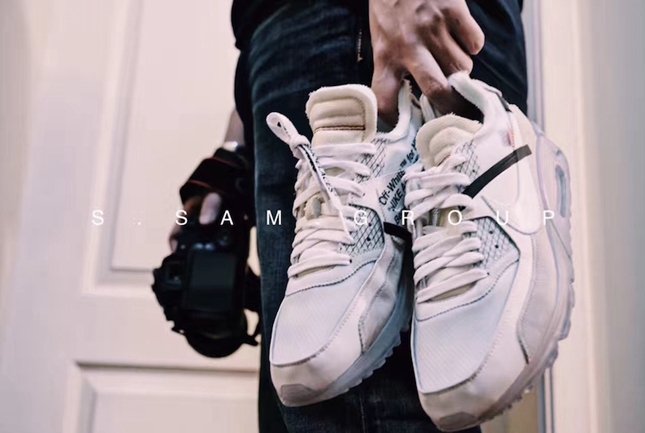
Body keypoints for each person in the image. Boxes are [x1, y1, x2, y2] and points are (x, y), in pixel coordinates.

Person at [171, 0, 527, 431]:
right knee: (305, 382)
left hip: (365, 25)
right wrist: (235, 150)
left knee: (342, 393)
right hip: (288, 42)